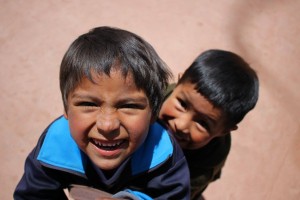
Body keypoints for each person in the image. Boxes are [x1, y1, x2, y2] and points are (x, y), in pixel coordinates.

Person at [14, 26, 190, 200]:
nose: (107, 125)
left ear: (153, 113)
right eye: (88, 104)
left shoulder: (164, 155)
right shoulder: (53, 147)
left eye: (128, 106)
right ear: (66, 109)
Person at [159, 49, 259, 199]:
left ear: (224, 131)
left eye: (202, 123)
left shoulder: (203, 166)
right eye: (182, 104)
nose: (181, 125)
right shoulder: (152, 96)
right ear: (179, 82)